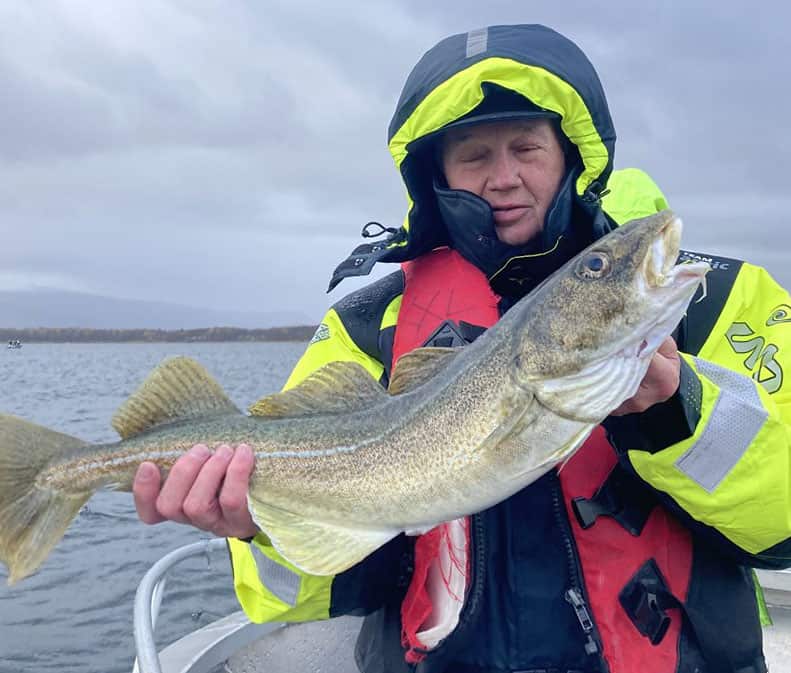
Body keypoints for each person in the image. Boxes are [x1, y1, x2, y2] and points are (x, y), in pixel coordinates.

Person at [133, 24, 791, 673]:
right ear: (435, 173)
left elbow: (781, 527)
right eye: (473, 154)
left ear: (569, 153)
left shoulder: (713, 303)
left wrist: (678, 413)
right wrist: (259, 526)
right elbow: (311, 594)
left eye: (526, 147)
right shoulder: (367, 327)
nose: (503, 177)